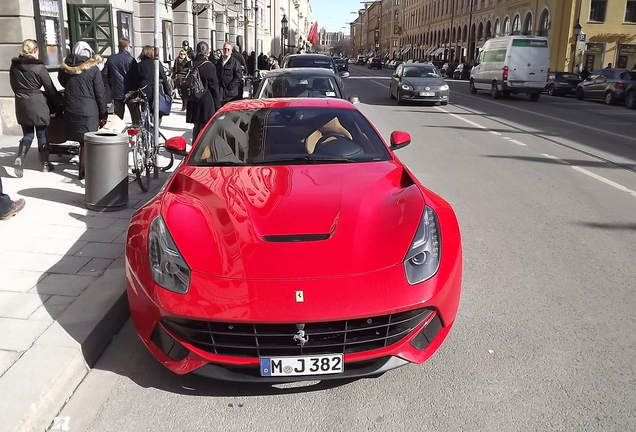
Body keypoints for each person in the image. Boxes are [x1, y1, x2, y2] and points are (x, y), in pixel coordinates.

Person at [10, 39, 62, 176]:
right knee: (41, 133)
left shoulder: (14, 66)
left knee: (27, 134)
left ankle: (20, 158)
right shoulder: (39, 67)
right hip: (37, 102)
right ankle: (45, 164)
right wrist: (58, 101)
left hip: (21, 102)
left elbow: (13, 85)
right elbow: (50, 88)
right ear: (35, 51)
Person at [58, 41, 107, 180]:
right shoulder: (93, 69)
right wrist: (103, 112)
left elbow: (62, 82)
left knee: (82, 140)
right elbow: (100, 93)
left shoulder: (64, 68)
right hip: (89, 109)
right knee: (88, 140)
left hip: (71, 106)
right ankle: (84, 169)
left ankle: (84, 166)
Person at [185, 41, 221, 141]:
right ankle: (205, 153)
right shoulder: (209, 66)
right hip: (206, 102)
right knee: (206, 130)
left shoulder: (189, 64)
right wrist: (218, 106)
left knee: (196, 128)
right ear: (207, 52)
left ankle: (194, 151)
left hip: (193, 101)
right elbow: (214, 88)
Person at [103, 38, 138, 119]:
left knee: (118, 117)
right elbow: (136, 77)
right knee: (135, 115)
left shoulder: (111, 59)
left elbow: (104, 73)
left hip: (116, 91)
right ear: (126, 47)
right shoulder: (131, 60)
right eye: (130, 47)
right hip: (130, 92)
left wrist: (111, 82)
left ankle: (118, 131)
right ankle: (137, 130)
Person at [137, 45, 172, 122]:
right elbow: (164, 78)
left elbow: (136, 80)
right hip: (155, 89)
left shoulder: (139, 65)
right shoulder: (156, 63)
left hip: (143, 90)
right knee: (157, 111)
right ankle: (156, 129)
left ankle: (147, 128)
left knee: (145, 111)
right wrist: (168, 92)